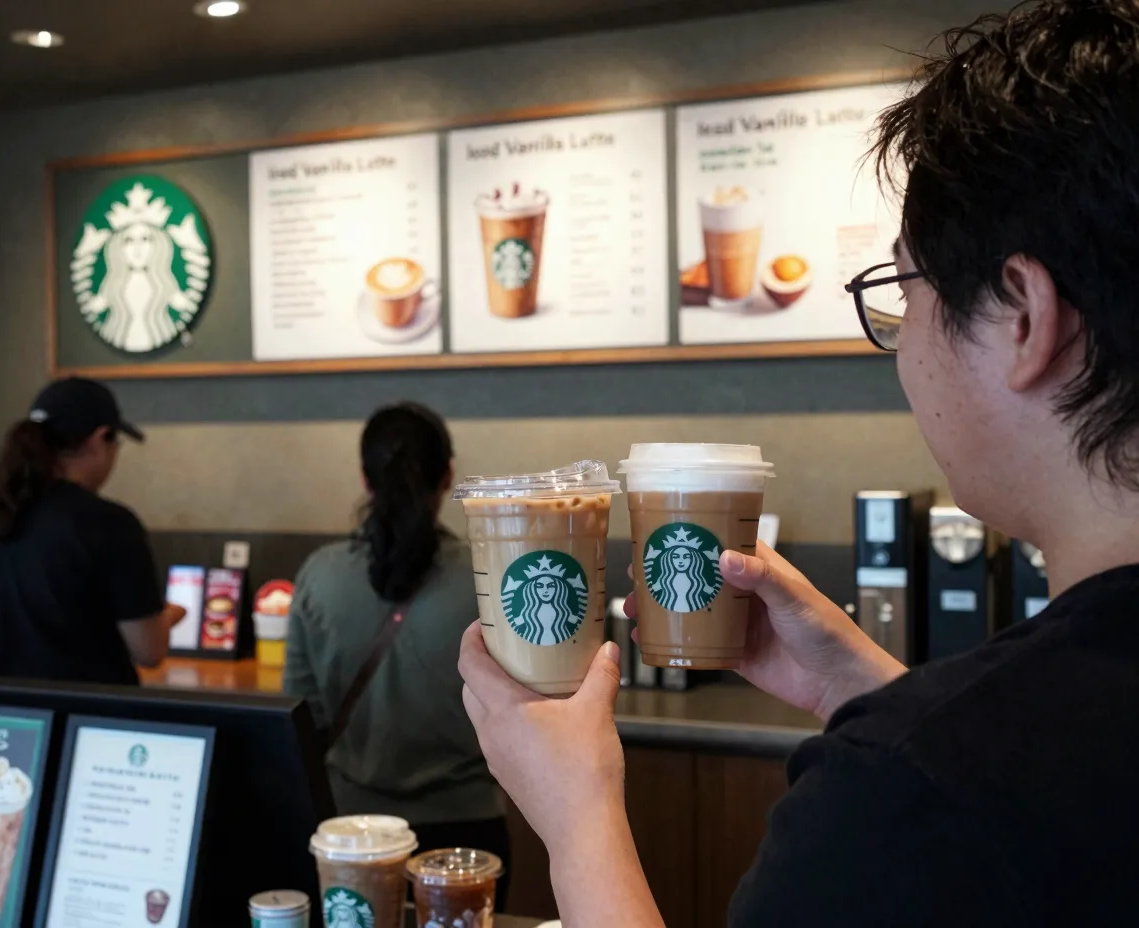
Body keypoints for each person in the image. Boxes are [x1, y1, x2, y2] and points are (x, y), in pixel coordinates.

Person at [459, 2, 1139, 924]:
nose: (900, 346)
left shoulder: (900, 798)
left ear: (1022, 314)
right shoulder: (950, 765)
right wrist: (870, 695)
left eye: (903, 290)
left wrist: (578, 822)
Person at [284, 402, 510, 891]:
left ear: (365, 479)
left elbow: (302, 716)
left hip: (351, 834)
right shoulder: (490, 576)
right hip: (466, 830)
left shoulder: (317, 575)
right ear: (448, 475)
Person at [0, 377, 183, 684]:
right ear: (100, 439)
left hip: (5, 725)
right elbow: (149, 651)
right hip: (84, 723)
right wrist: (170, 615)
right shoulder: (108, 523)